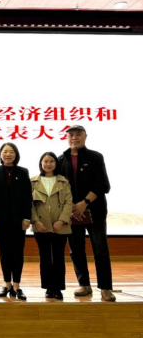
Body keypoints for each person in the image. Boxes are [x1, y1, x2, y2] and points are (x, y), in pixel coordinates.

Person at [57, 125, 115, 301]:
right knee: (76, 250)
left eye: (78, 134)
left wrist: (84, 203)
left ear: (85, 136)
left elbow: (103, 185)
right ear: (67, 138)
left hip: (94, 211)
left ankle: (105, 287)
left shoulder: (96, 157)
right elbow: (58, 188)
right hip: (71, 213)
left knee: (100, 249)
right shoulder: (61, 160)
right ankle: (84, 284)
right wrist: (70, 207)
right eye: (71, 135)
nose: (74, 137)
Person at [0, 142, 32, 301]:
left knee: (18, 252)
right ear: (0, 154)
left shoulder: (23, 171)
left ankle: (17, 285)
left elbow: (27, 196)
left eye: (11, 151)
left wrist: (27, 217)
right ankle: (7, 284)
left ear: (16, 154)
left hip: (19, 220)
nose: (8, 154)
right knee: (4, 252)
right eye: (5, 151)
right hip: (0, 220)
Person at [31, 151, 73, 300]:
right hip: (40, 226)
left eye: (51, 161)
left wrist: (61, 220)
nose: (48, 164)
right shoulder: (33, 181)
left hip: (60, 225)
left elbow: (68, 202)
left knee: (59, 257)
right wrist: (36, 221)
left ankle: (58, 288)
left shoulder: (63, 181)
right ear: (41, 163)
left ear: (56, 163)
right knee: (45, 257)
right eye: (45, 161)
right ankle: (48, 287)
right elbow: (29, 204)